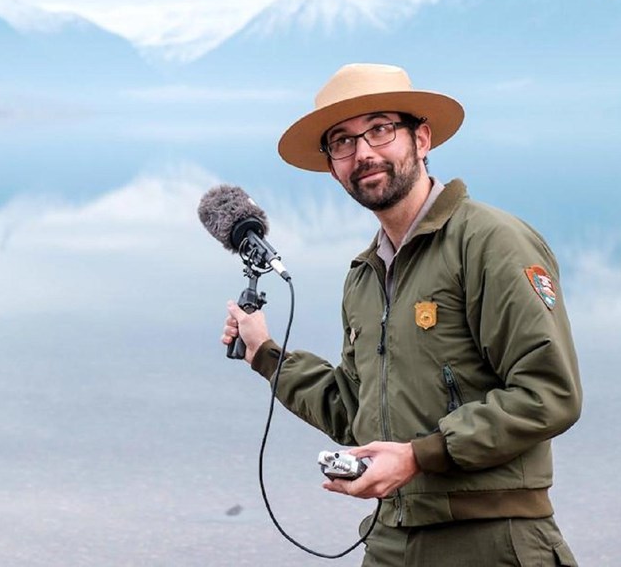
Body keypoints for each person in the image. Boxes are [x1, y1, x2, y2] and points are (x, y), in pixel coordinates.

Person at [222, 63, 581, 566]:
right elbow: (352, 411)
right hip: (390, 542)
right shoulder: (364, 276)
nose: (363, 152)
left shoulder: (491, 243)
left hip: (494, 539)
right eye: (342, 142)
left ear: (422, 138)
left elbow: (550, 395)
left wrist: (417, 457)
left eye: (380, 129)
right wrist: (266, 355)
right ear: (332, 167)